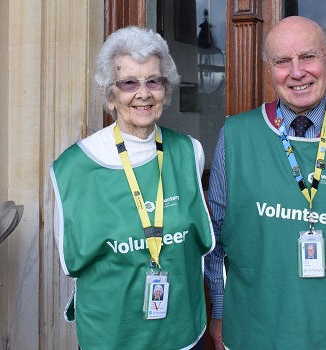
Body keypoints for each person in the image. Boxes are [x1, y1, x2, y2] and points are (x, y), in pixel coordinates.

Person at [204, 16, 326, 350]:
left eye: (307, 57)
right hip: (253, 331)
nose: (296, 72)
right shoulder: (236, 136)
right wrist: (221, 310)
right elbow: (215, 236)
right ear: (268, 68)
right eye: (282, 61)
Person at [50, 26, 214, 350]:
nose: (143, 93)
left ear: (166, 90)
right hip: (113, 337)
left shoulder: (189, 151)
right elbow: (73, 264)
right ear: (110, 95)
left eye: (153, 81)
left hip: (182, 333)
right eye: (129, 83)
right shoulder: (73, 169)